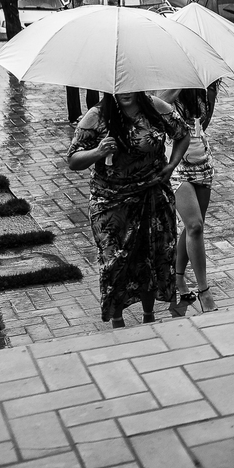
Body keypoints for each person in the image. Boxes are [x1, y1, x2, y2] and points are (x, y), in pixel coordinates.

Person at [67, 92, 189, 327]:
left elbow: (182, 134)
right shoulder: (98, 115)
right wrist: (98, 152)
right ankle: (117, 321)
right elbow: (73, 159)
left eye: (129, 84)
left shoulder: (155, 108)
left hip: (152, 195)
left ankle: (149, 317)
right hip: (111, 202)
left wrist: (172, 165)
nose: (125, 91)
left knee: (150, 258)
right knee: (115, 263)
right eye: (118, 86)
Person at [156, 82, 220, 314]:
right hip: (176, 163)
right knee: (194, 225)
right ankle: (204, 291)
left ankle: (178, 278)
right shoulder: (169, 83)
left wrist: (209, 89)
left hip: (202, 162)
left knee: (194, 228)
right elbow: (155, 107)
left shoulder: (205, 88)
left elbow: (204, 124)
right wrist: (183, 81)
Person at [65, 0, 101, 123]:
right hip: (71, 51)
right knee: (72, 84)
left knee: (92, 83)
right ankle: (74, 115)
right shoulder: (64, 12)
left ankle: (94, 113)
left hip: (87, 50)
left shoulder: (89, 10)